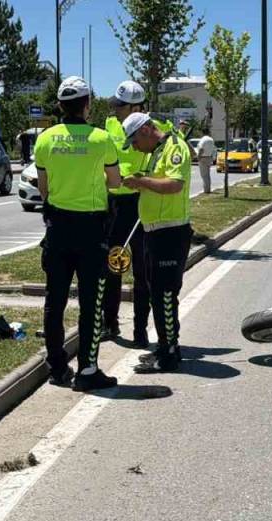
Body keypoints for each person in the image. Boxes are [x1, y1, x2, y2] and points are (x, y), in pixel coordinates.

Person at [35, 76, 122, 391]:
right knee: (91, 303)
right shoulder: (102, 139)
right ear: (87, 104)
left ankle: (57, 368)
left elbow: (43, 188)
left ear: (60, 106)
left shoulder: (45, 139)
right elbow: (114, 182)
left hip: (58, 228)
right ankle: (88, 370)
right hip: (91, 230)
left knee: (53, 301)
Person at [121, 113, 193, 373]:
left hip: (170, 232)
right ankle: (164, 347)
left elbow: (174, 184)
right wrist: (141, 181)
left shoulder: (175, 147)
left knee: (164, 295)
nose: (136, 148)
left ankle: (170, 354)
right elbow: (158, 182)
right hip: (155, 230)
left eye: (135, 142)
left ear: (145, 131)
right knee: (157, 293)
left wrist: (140, 181)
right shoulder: (156, 151)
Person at [102, 80, 154, 348]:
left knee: (142, 272)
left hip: (140, 203)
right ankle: (109, 323)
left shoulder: (153, 128)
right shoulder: (109, 125)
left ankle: (140, 330)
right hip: (114, 206)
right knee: (113, 265)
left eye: (121, 107)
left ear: (137, 107)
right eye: (116, 105)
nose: (116, 110)